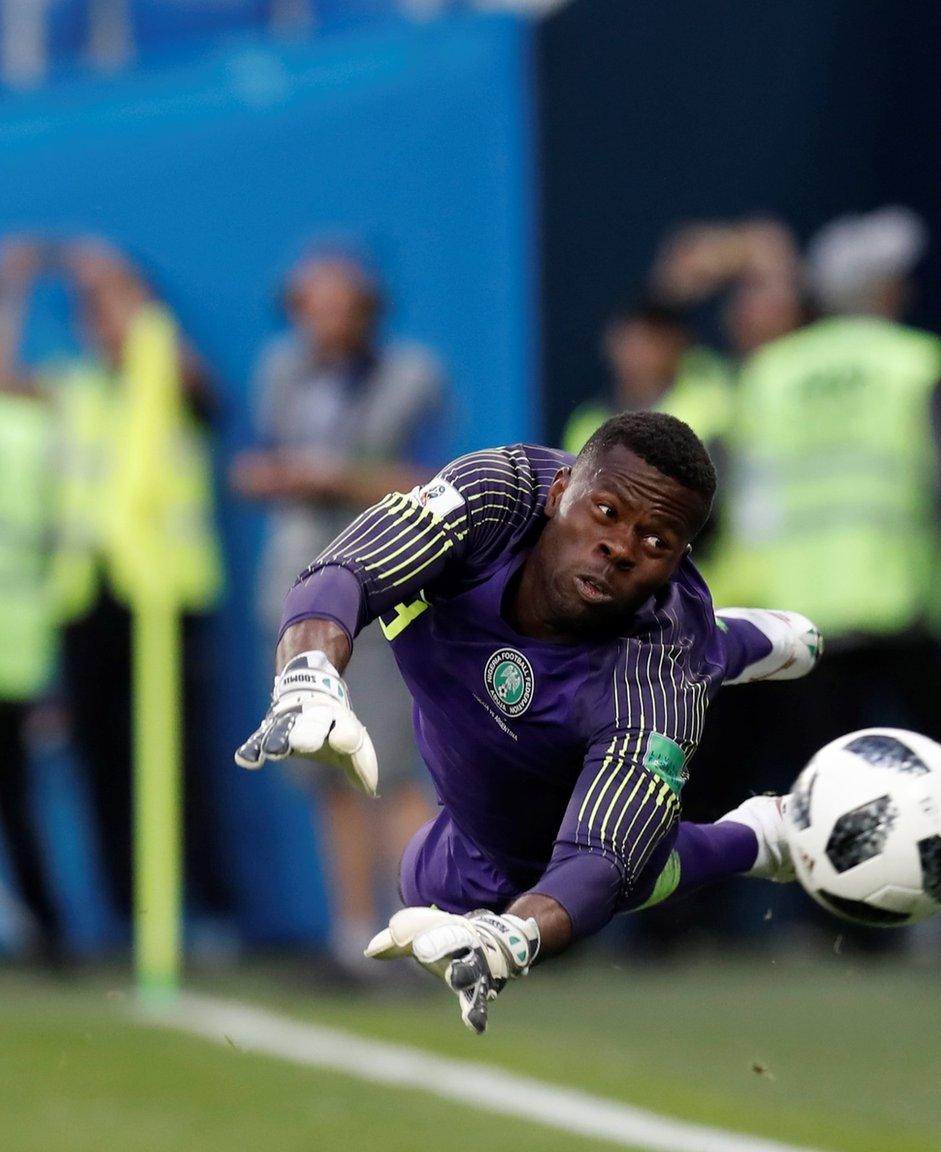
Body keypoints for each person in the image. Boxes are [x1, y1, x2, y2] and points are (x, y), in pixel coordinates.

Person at [235, 412, 822, 1032]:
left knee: (584, 867)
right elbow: (346, 568)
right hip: (471, 696)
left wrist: (511, 941)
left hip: (579, 739)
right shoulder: (495, 494)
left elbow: (599, 862)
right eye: (606, 512)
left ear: (678, 560)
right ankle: (734, 644)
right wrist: (307, 676)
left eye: (655, 544)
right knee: (431, 880)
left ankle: (757, 833)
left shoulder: (662, 680)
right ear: (560, 491)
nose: (621, 547)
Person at [231, 246, 446, 976]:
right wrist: (285, 476)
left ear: (366, 309)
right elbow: (250, 467)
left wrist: (340, 477)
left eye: (336, 304)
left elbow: (432, 480)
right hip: (296, 596)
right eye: (310, 305)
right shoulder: (281, 374)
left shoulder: (410, 376)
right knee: (327, 769)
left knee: (391, 766)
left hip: (378, 593)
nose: (322, 321)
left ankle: (423, 935)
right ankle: (354, 943)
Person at [8, 237, 233, 927]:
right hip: (85, 598)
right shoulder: (72, 389)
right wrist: (16, 285)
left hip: (164, 594)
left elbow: (192, 382)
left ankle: (208, 913)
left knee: (181, 761)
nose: (103, 327)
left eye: (114, 314)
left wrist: (111, 270)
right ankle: (128, 915)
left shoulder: (169, 378)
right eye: (93, 316)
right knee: (99, 766)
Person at [725, 207, 941, 782]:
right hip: (905, 601)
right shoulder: (915, 361)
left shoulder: (770, 373)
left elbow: (744, 501)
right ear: (884, 289)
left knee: (829, 789)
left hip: (804, 615)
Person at [0, 241, 64, 966]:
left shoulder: (36, 422)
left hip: (20, 639)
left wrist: (17, 287)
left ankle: (46, 927)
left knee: (17, 792)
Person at [560, 295, 734, 457]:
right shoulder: (585, 423)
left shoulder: (709, 408)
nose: (636, 355)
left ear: (676, 346)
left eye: (648, 343)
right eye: (629, 342)